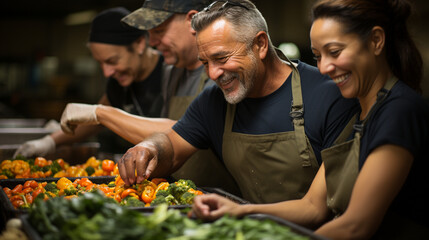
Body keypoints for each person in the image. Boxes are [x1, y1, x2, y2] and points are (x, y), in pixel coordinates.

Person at [190, 0, 429, 239]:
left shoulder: (399, 110)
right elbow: (314, 205)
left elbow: (355, 225)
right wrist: (240, 210)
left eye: (334, 52)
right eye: (317, 56)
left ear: (376, 41)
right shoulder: (365, 110)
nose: (324, 68)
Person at [118, 0, 358, 204]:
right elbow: (171, 147)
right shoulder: (214, 101)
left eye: (221, 58)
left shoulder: (329, 95)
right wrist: (149, 148)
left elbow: (324, 208)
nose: (213, 74)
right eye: (205, 63)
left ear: (260, 45)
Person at [13, 7, 168, 158]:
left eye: (112, 61)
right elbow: (95, 122)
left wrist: (100, 113)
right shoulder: (118, 82)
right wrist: (49, 141)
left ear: (140, 44)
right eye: (100, 63)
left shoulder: (170, 73)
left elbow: (177, 133)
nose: (107, 72)